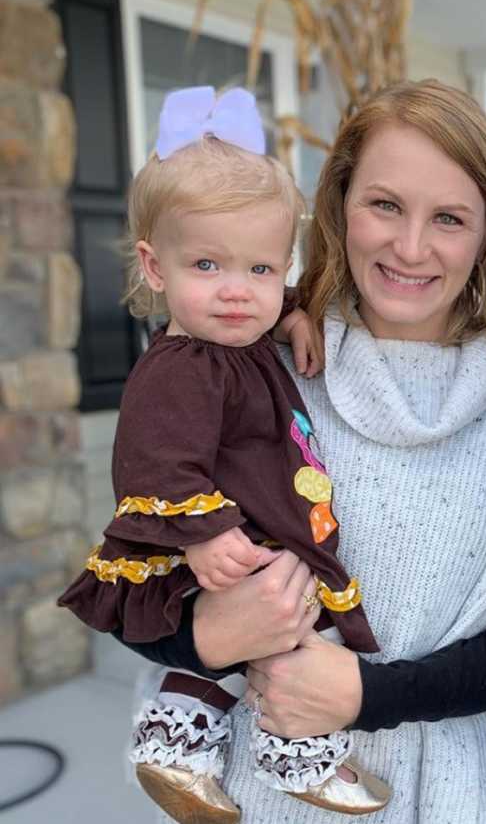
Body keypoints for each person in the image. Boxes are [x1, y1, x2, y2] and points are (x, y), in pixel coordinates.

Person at [116, 78, 486, 824]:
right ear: (339, 205)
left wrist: (367, 694)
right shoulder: (249, 362)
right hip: (255, 786)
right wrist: (206, 634)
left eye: (449, 217)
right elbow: (134, 570)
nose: (410, 247)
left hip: (443, 788)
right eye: (384, 204)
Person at [58, 86, 392, 822]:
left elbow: (269, 295)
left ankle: (190, 742)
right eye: (206, 266)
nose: (238, 292)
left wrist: (297, 309)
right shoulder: (184, 364)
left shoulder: (238, 331)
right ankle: (271, 747)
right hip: (225, 532)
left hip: (263, 520)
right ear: (154, 266)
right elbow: (154, 457)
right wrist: (203, 532)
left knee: (282, 631)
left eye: (261, 270)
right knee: (294, 629)